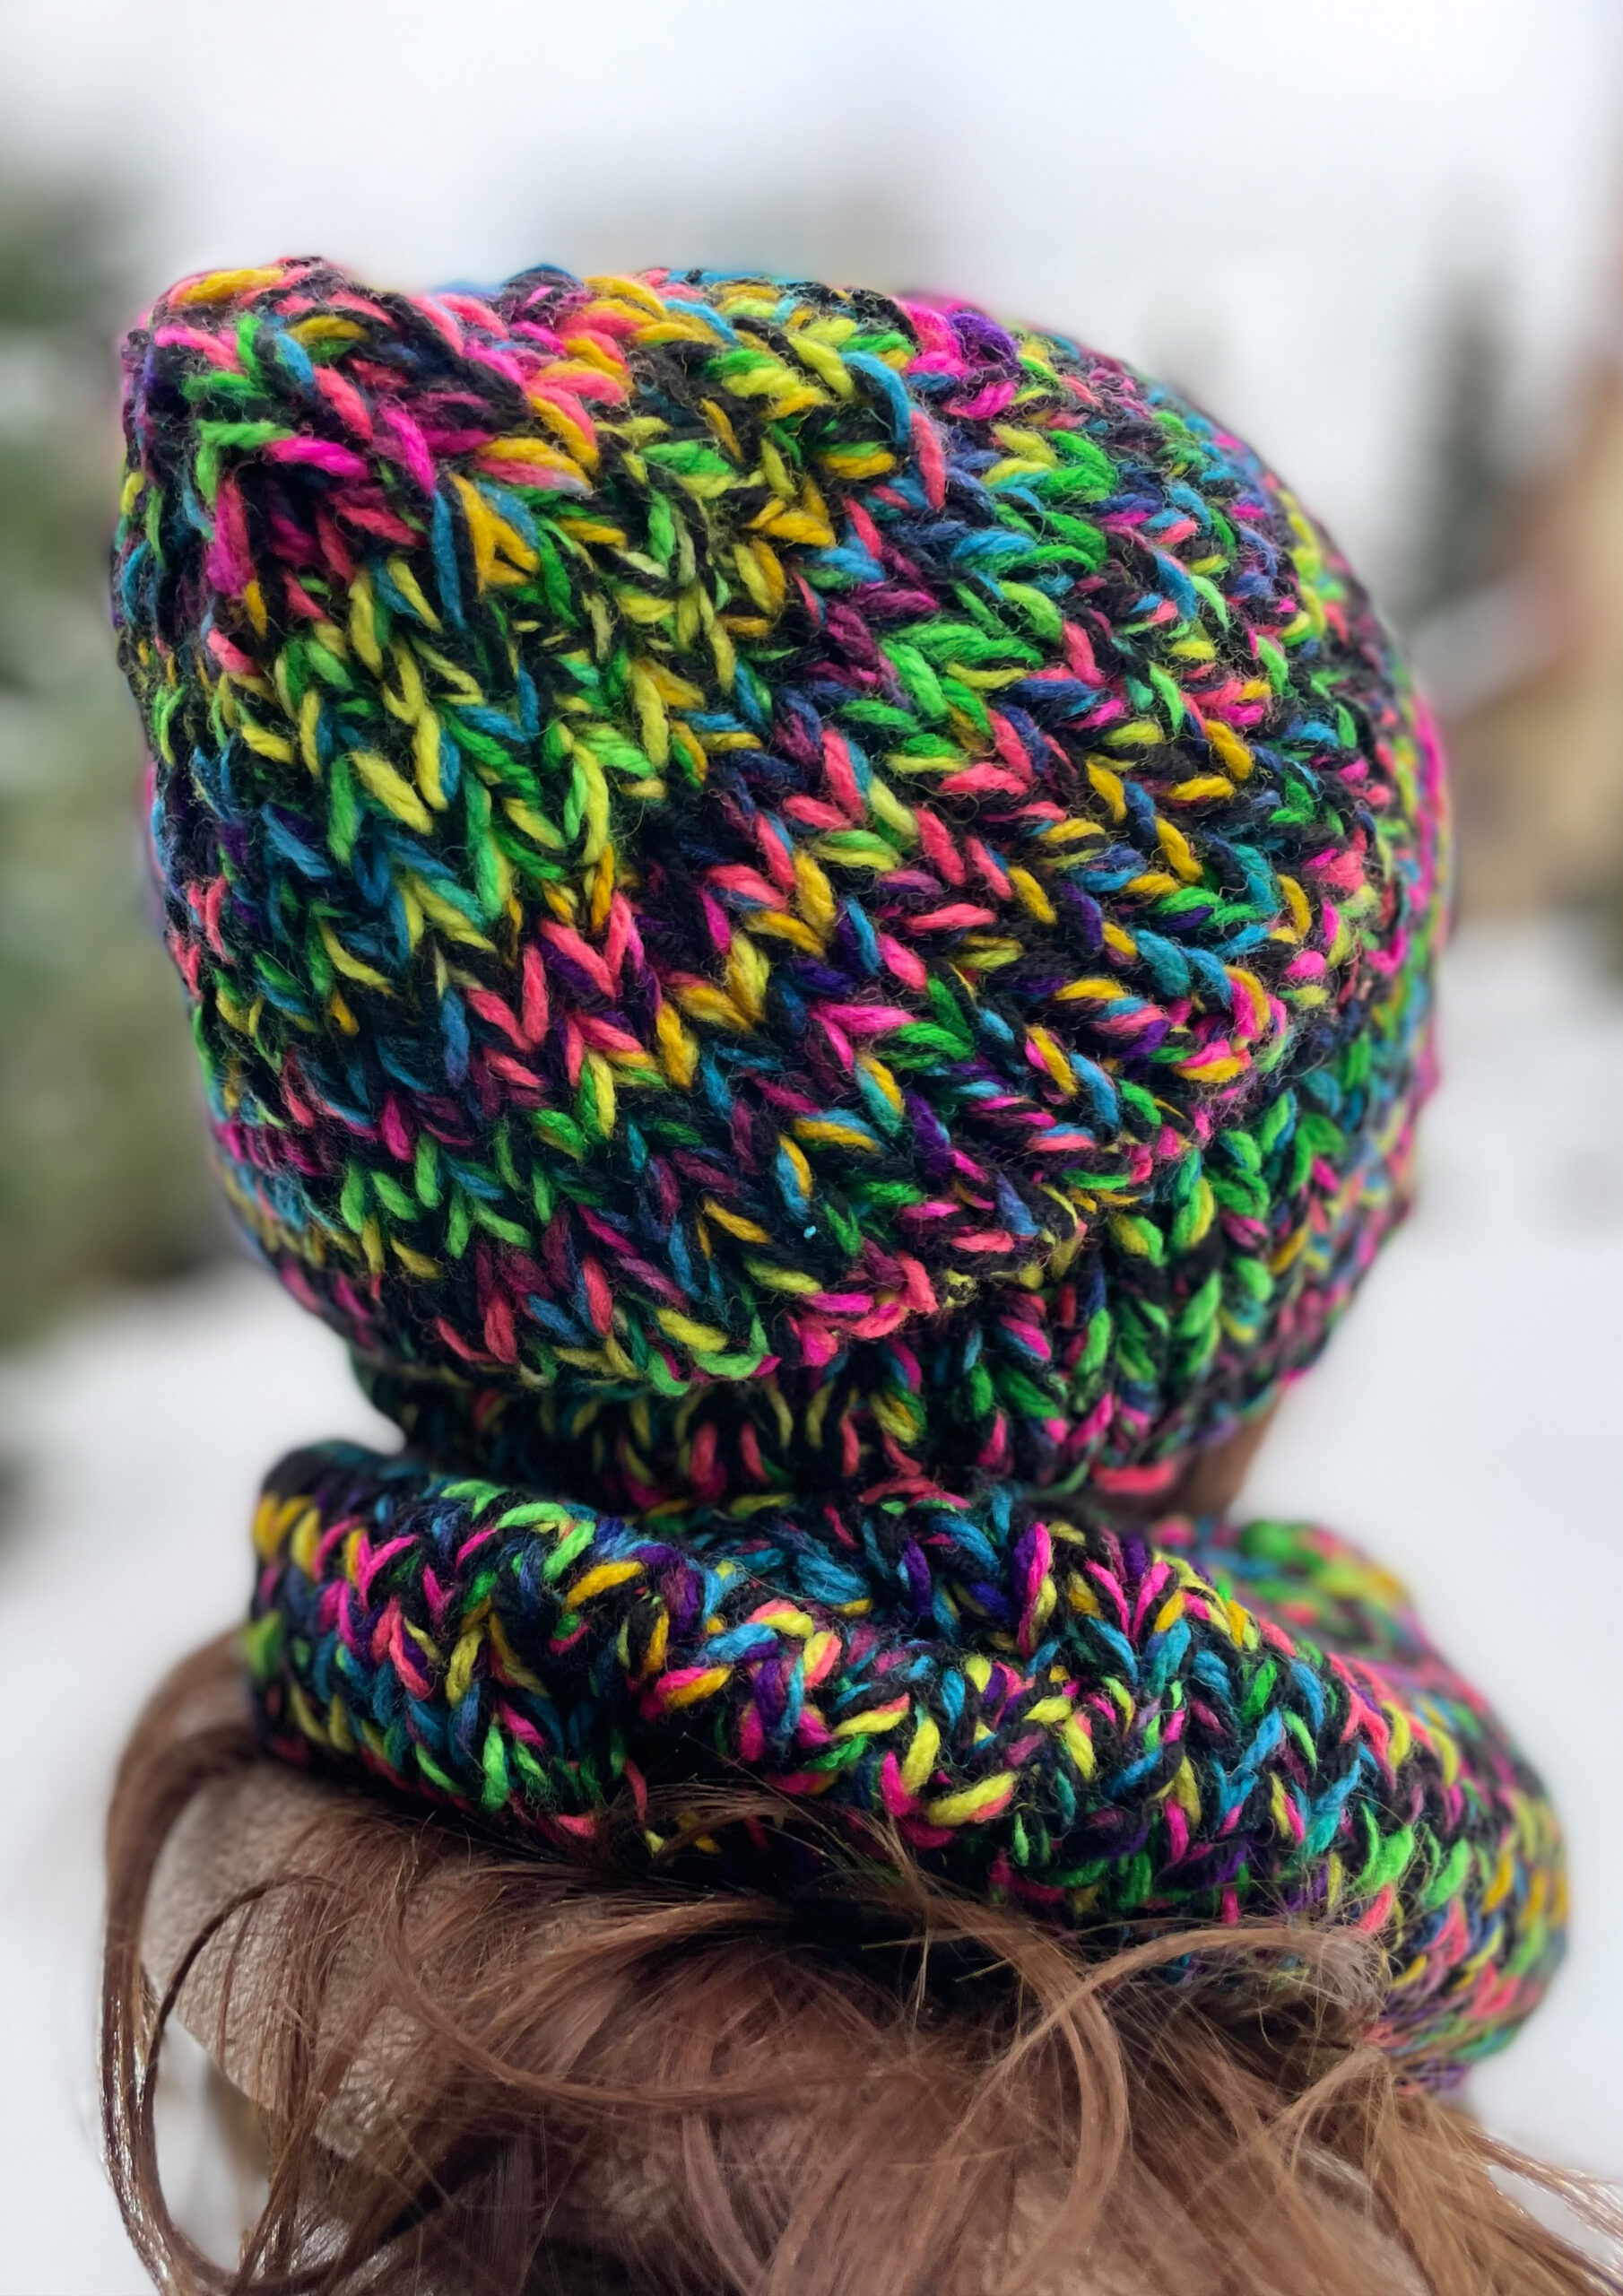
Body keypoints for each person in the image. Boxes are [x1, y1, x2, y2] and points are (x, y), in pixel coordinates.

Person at [102, 258, 1615, 2295]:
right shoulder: (1167, 2237)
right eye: (1345, 1102)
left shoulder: (362, 1940)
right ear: (1097, 1283)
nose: (1404, 1197)